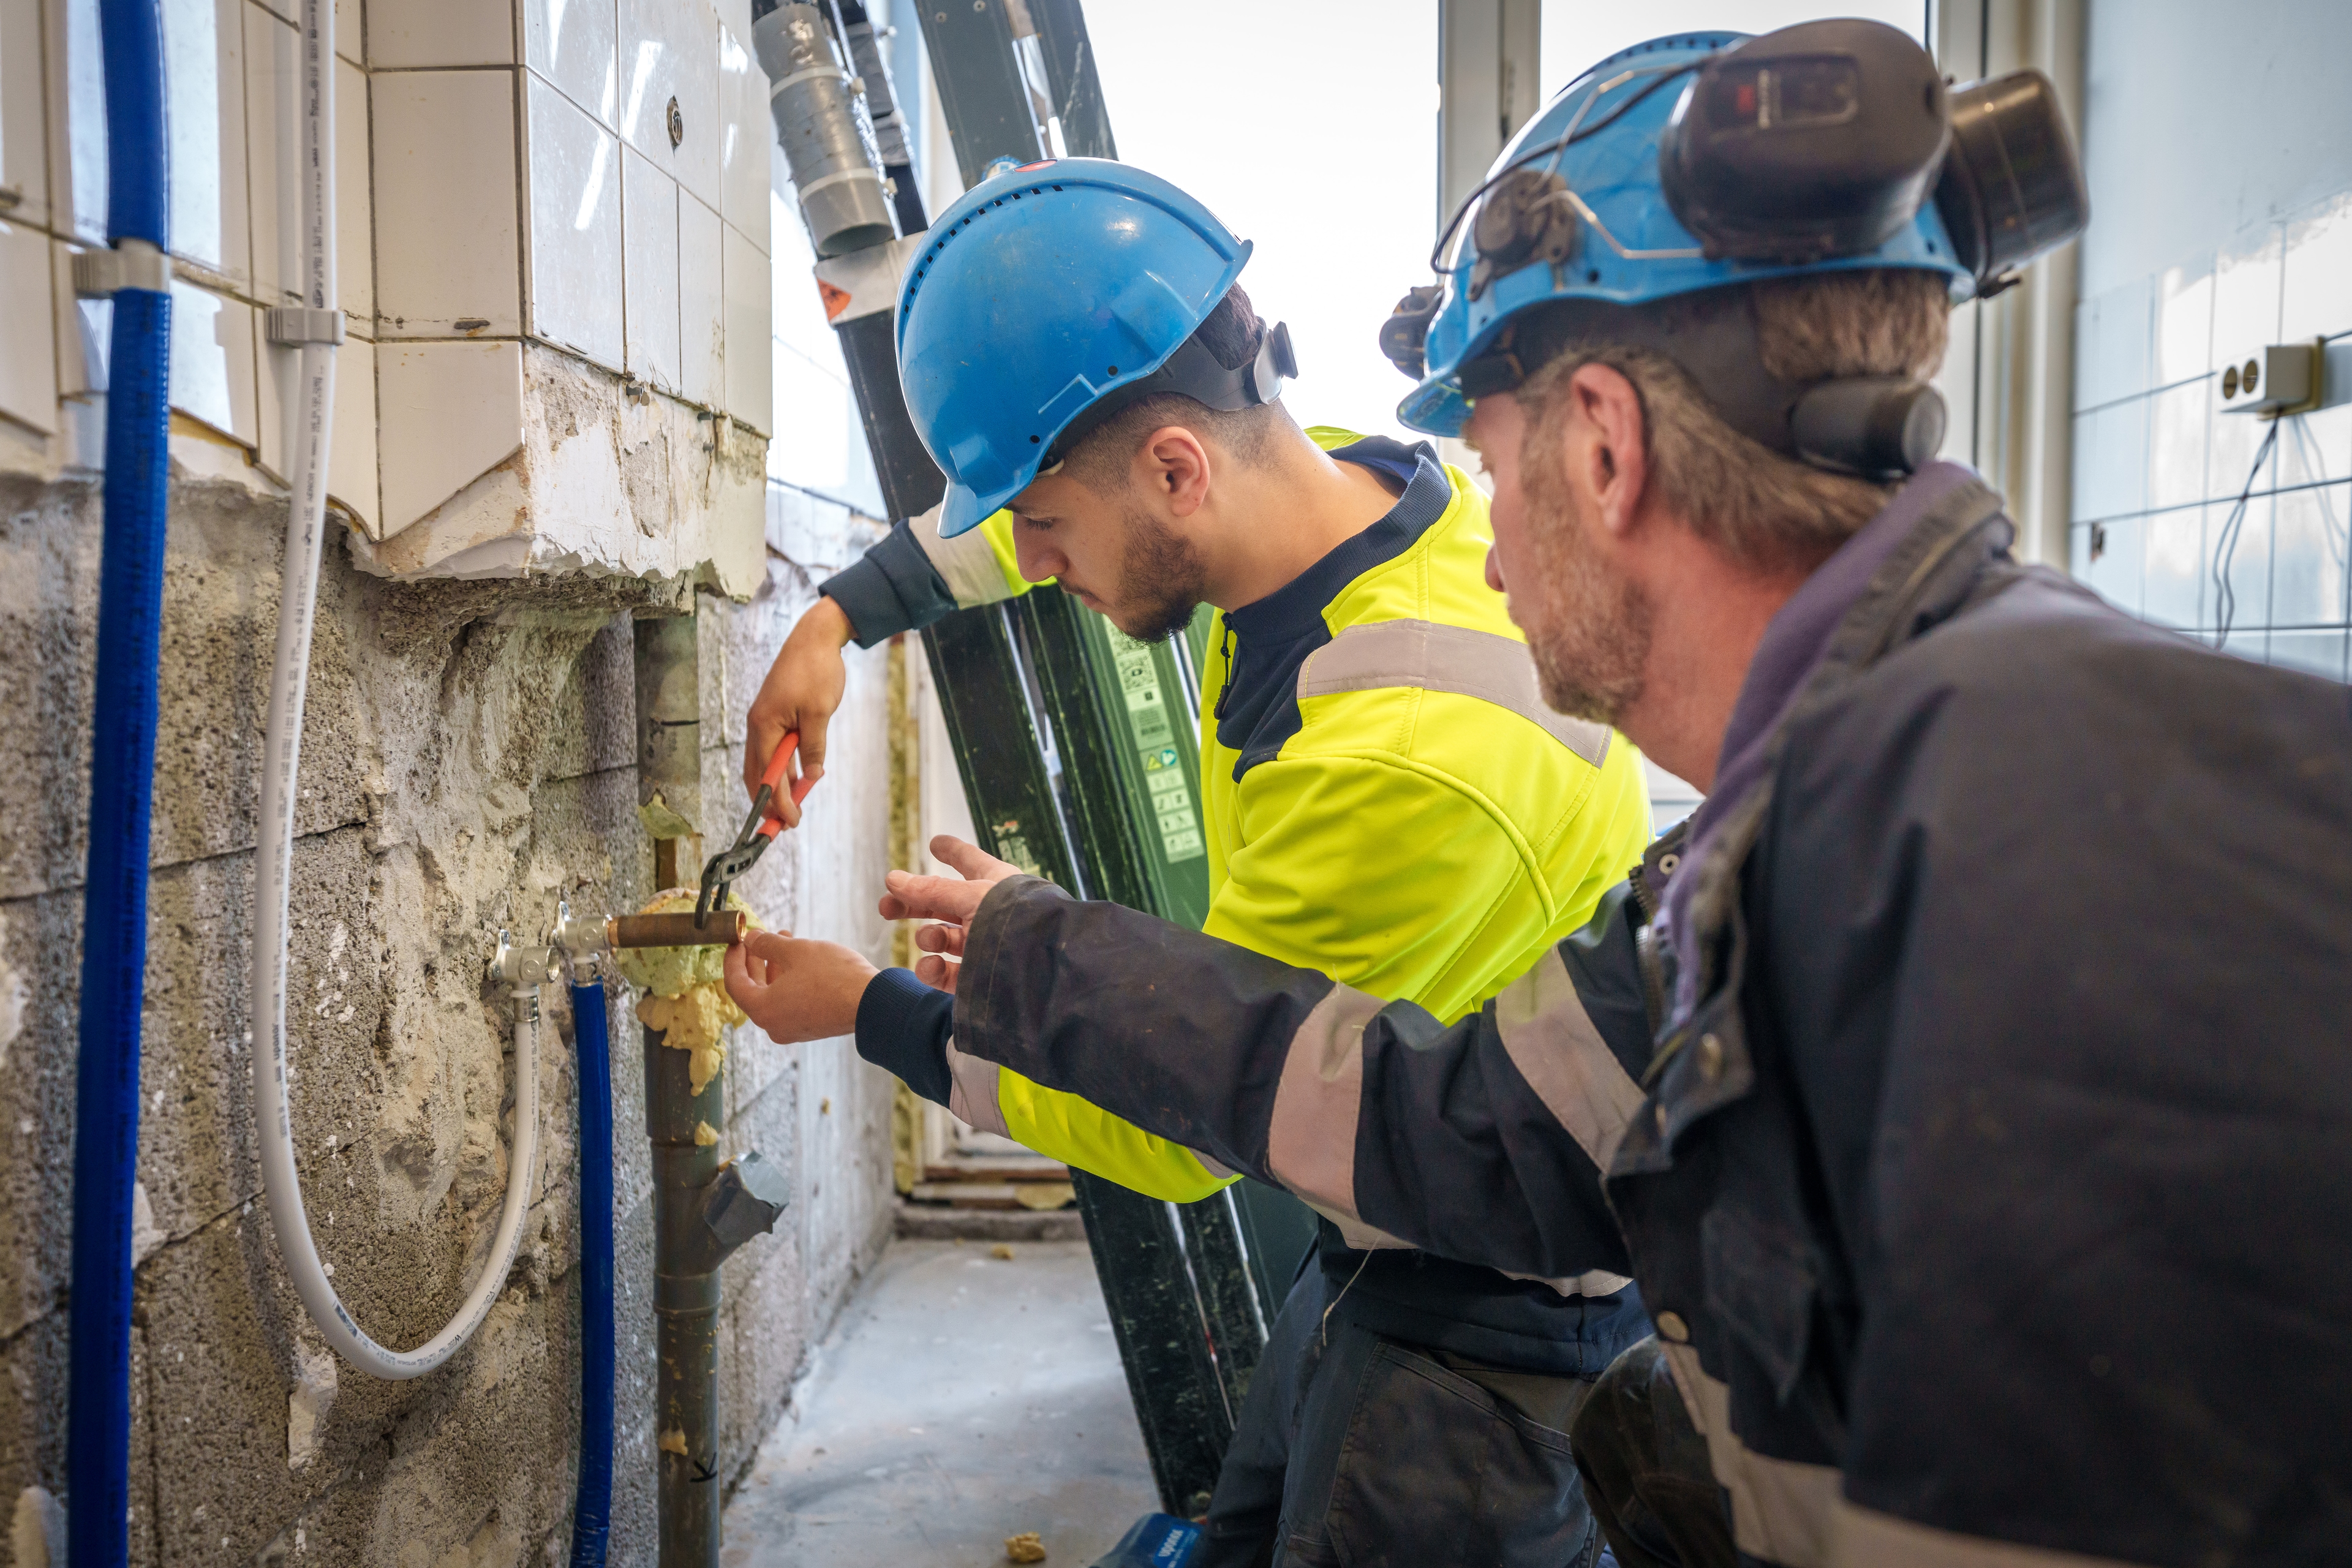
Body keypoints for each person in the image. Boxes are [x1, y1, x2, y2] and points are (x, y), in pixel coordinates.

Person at [730, 23, 2352, 1568]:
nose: (1489, 549)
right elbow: (1469, 1123)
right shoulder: (1802, 825)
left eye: (1495, 468)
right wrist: (1012, 920)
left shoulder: (2063, 853)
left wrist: (934, 996)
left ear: (1601, 448)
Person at [736, 159, 1656, 1566]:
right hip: (1381, 1241)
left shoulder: (1393, 757)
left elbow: (1178, 1132)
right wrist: (838, 617)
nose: (1031, 563)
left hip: (1490, 1333)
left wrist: (872, 1008)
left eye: (1042, 526)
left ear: (1178, 467)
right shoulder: (1335, 495)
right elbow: (1054, 498)